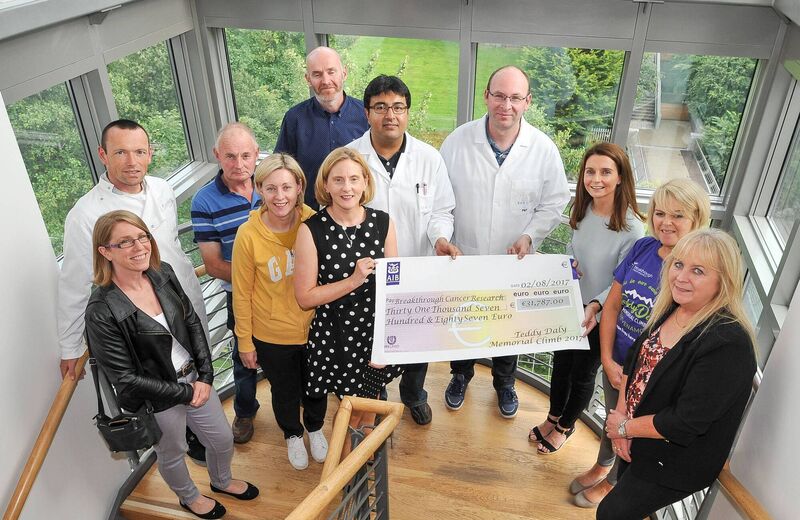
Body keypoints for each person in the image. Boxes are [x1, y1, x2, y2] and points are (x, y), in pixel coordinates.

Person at [85, 211, 258, 520]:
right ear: (105, 251)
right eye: (125, 242)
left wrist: (205, 375)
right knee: (172, 452)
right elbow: (124, 378)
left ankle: (221, 481)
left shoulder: (161, 272)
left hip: (193, 379)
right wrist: (185, 392)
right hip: (157, 399)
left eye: (142, 237)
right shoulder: (102, 310)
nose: (139, 247)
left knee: (221, 438)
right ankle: (188, 497)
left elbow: (192, 323)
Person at [58, 119, 209, 463]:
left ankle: (202, 427)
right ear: (102, 155)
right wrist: (70, 346)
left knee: (195, 364)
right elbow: (75, 284)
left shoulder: (162, 189)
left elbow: (169, 247)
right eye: (121, 152)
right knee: (161, 377)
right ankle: (181, 439)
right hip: (139, 316)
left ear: (150, 154)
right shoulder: (84, 215)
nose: (132, 161)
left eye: (140, 151)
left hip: (181, 297)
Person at [597, 229, 757, 519]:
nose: (681, 277)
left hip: (673, 459)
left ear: (724, 281)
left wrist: (624, 428)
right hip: (639, 438)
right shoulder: (672, 307)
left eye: (698, 271)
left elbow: (684, 422)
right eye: (678, 264)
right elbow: (635, 362)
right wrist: (620, 420)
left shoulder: (728, 342)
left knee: (610, 514)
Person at [439, 65, 570, 418]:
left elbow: (555, 201)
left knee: (508, 329)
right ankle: (460, 376)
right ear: (486, 96)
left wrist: (530, 235)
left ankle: (505, 383)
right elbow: (440, 198)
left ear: (527, 101)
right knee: (465, 322)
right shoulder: (457, 142)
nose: (505, 105)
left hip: (515, 261)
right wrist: (443, 237)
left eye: (514, 97)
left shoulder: (542, 149)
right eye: (499, 95)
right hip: (466, 255)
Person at [572, 178, 710, 508]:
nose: (666, 222)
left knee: (631, 430)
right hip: (617, 362)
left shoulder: (691, 272)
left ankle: (617, 481)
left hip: (650, 379)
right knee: (611, 418)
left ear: (697, 218)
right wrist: (607, 358)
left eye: (678, 215)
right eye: (660, 212)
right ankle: (604, 465)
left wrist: (632, 377)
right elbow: (614, 306)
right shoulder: (643, 248)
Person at [349, 74, 459, 426]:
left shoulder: (429, 158)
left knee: (418, 340)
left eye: (398, 107)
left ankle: (413, 395)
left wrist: (440, 238)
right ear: (367, 113)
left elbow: (441, 210)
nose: (390, 115)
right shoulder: (351, 158)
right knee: (373, 341)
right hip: (369, 273)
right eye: (380, 107)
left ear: (408, 113)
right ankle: (377, 399)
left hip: (417, 267)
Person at [530, 143, 644, 455]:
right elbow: (575, 250)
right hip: (572, 303)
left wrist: (595, 304)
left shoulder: (633, 228)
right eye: (590, 171)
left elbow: (624, 281)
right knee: (561, 364)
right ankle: (553, 416)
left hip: (602, 313)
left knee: (582, 375)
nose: (596, 179)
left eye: (606, 172)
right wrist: (570, 263)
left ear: (620, 177)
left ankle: (565, 427)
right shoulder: (584, 210)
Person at [294, 147, 402, 445]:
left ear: (366, 182)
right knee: (349, 411)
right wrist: (353, 280)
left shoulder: (383, 222)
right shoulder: (310, 230)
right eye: (338, 179)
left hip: (375, 334)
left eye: (355, 179)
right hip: (337, 337)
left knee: (370, 404)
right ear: (325, 184)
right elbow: (305, 297)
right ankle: (343, 469)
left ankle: (364, 450)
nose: (347, 187)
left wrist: (385, 344)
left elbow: (395, 290)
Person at [231, 153, 328, 471]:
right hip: (272, 334)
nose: (280, 196)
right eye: (271, 188)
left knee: (316, 387)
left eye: (287, 187)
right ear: (259, 189)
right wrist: (245, 341)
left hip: (315, 328)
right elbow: (242, 294)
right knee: (284, 392)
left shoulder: (315, 222)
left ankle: (314, 427)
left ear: (300, 186)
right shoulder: (248, 236)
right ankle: (292, 434)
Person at [191, 122, 262, 444]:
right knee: (244, 358)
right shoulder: (204, 201)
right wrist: (266, 278)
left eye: (246, 155)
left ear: (257, 154)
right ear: (217, 155)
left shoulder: (272, 184)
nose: (239, 164)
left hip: (288, 295)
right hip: (241, 297)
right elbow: (214, 264)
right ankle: (245, 411)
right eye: (230, 156)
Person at [275, 46, 369, 209]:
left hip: (358, 214)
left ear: (344, 73)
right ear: (308, 79)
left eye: (331, 72)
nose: (325, 81)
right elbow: (281, 168)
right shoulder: (294, 118)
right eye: (317, 74)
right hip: (309, 215)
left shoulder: (366, 115)